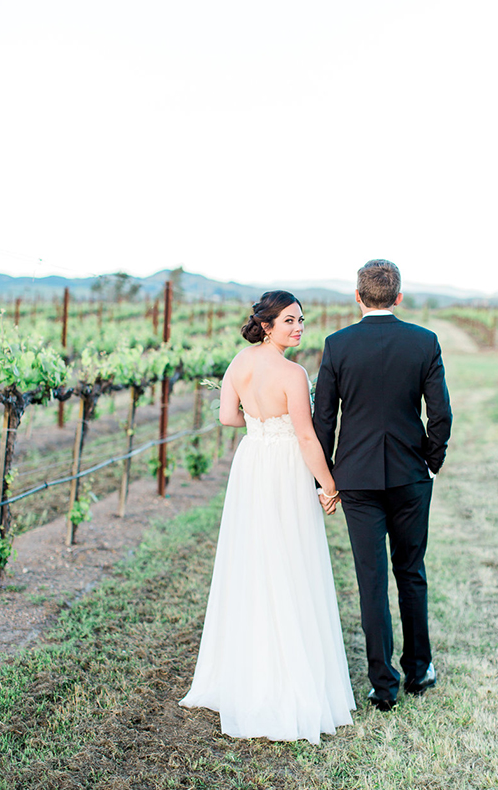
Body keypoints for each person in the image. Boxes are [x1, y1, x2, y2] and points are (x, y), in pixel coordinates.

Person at [180, 291, 355, 744]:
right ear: (268, 324)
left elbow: (226, 417)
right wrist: (329, 486)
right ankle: (286, 673)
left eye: (301, 320)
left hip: (252, 462)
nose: (299, 328)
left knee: (254, 558)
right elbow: (307, 437)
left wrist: (260, 425)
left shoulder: (239, 363)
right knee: (290, 557)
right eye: (290, 321)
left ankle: (248, 668)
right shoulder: (293, 373)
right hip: (283, 468)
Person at [313, 260, 452, 712]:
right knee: (411, 572)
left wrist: (329, 477)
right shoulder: (424, 341)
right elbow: (441, 414)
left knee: (371, 580)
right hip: (411, 475)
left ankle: (382, 685)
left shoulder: (337, 345)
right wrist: (431, 463)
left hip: (356, 479)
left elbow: (323, 420)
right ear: (398, 297)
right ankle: (419, 670)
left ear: (357, 296)